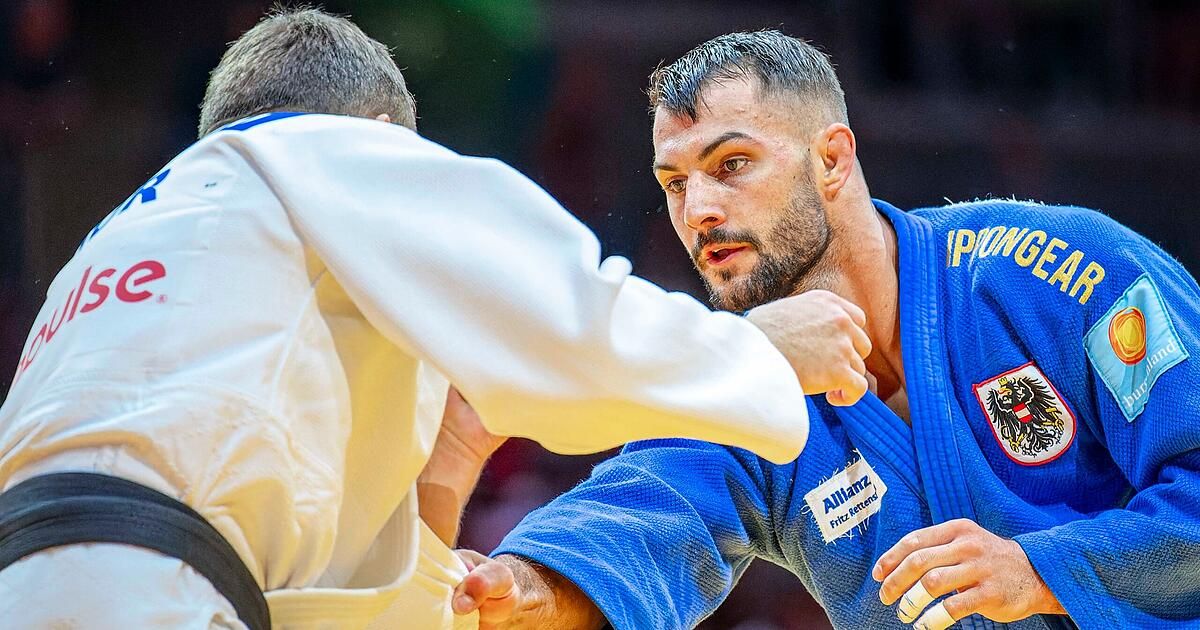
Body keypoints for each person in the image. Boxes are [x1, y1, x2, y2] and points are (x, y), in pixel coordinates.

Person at [0, 13, 876, 630]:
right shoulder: (327, 145)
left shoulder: (125, 248)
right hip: (148, 588)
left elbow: (333, 601)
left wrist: (445, 474)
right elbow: (569, 321)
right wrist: (755, 349)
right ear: (382, 133)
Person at [449, 31, 1200, 629]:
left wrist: (1039, 574)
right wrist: (518, 589)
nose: (698, 210)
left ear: (833, 159)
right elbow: (633, 523)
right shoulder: (745, 380)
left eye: (731, 163)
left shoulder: (1056, 271)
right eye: (674, 183)